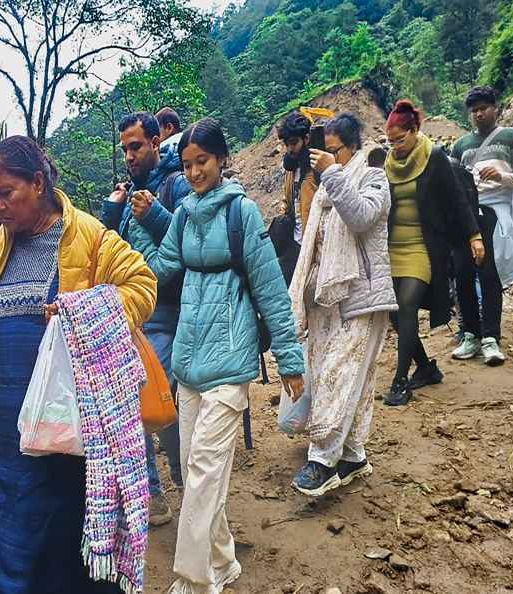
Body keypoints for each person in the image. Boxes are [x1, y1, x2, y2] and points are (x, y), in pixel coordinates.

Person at [0, 135, 155, 593]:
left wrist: (82, 309)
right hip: (12, 437)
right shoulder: (6, 243)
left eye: (7, 194)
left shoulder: (87, 235)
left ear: (38, 183)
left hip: (66, 437)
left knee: (65, 556)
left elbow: (142, 285)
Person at [133, 118, 305, 592]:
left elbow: (270, 287)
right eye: (187, 165)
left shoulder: (242, 213)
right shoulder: (185, 215)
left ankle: (193, 579)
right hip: (189, 357)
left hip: (231, 356)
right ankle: (224, 560)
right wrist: (113, 290)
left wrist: (289, 359)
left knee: (206, 469)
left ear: (222, 159)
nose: (193, 172)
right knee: (194, 469)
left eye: (202, 162)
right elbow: (162, 266)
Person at [287, 114, 396, 496]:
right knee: (345, 379)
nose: (326, 158)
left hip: (362, 296)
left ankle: (321, 460)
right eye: (326, 151)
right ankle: (352, 456)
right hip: (324, 298)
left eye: (333, 150)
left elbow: (363, 217)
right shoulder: (325, 184)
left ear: (352, 147)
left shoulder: (373, 176)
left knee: (341, 373)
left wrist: (332, 173)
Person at [101, 111, 191, 524]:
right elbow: (106, 255)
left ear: (157, 143)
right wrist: (111, 211)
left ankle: (174, 485)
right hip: (132, 320)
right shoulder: (125, 196)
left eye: (136, 146)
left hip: (170, 316)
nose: (130, 155)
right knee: (142, 402)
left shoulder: (177, 184)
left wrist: (154, 215)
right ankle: (157, 492)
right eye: (125, 149)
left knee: (152, 403)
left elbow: (193, 243)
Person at [383, 100, 484, 406]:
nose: (396, 147)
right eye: (391, 142)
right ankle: (426, 368)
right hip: (393, 248)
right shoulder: (388, 162)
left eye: (400, 140)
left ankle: (401, 381)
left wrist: (474, 235)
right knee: (395, 315)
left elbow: (457, 200)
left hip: (423, 246)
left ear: (415, 131)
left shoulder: (434, 157)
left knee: (408, 303)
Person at [450, 85, 513, 364]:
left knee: (490, 274)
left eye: (484, 108)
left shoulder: (510, 137)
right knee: (463, 275)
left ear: (496, 108)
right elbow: (452, 182)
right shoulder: (461, 144)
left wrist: (502, 176)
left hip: (494, 211)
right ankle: (470, 334)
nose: (479, 114)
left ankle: (491, 338)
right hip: (464, 214)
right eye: (474, 110)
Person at [274, 111, 320, 284]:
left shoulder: (317, 168)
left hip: (314, 245)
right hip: (294, 242)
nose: (290, 149)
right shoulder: (291, 168)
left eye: (294, 143)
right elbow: (288, 199)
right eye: (287, 144)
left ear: (306, 139)